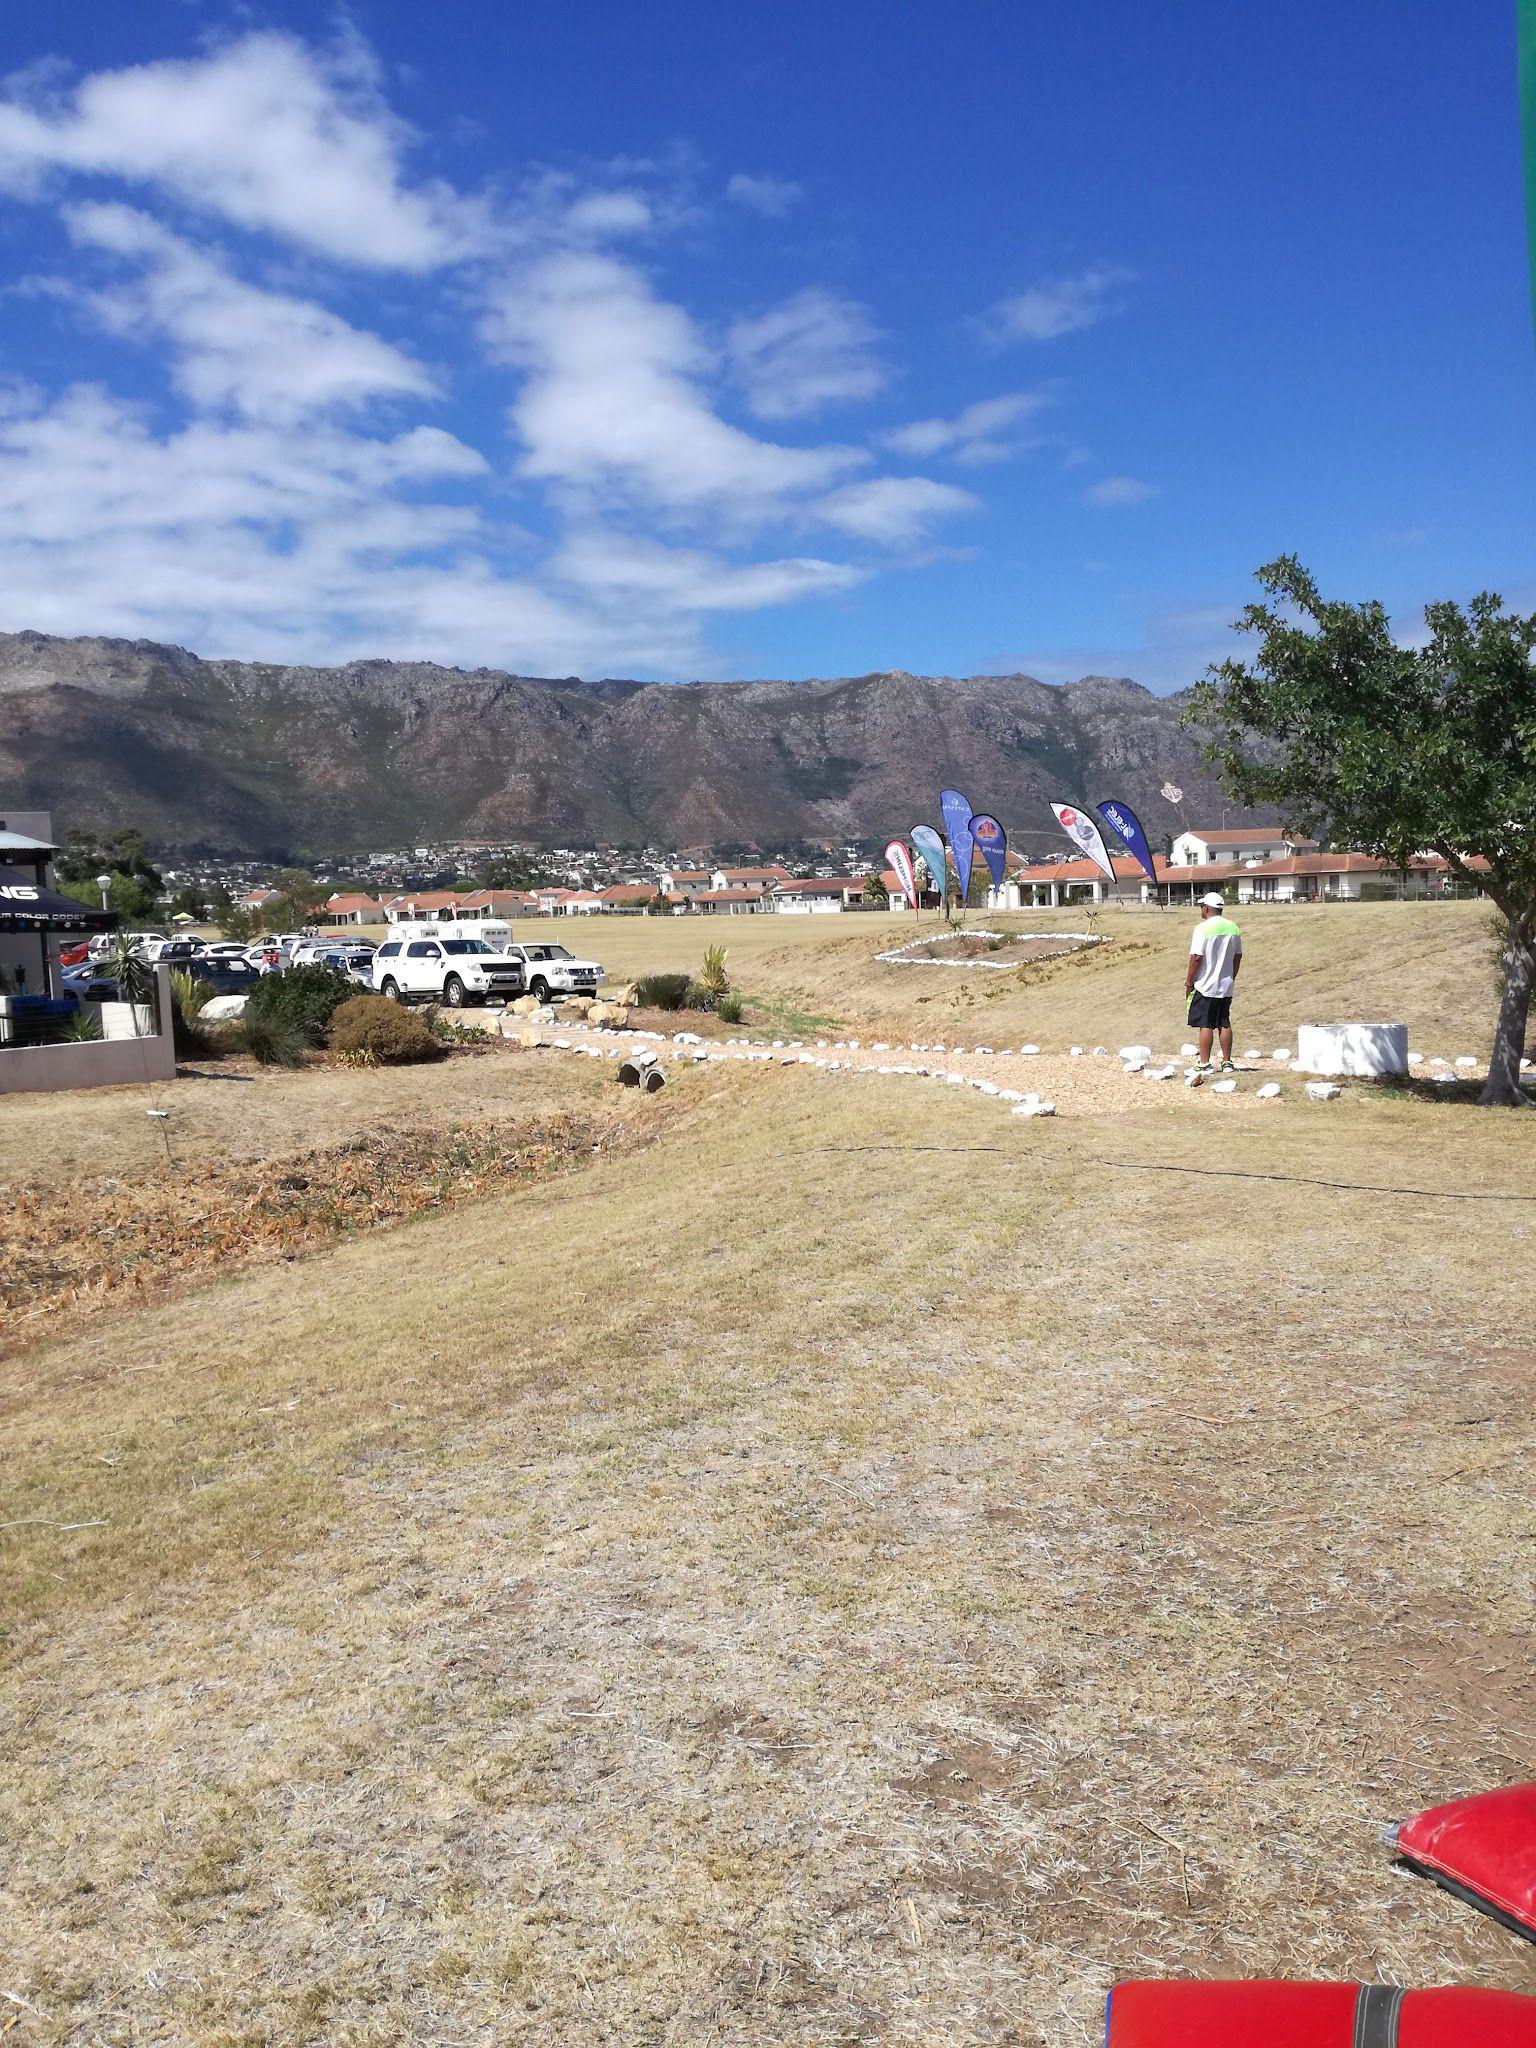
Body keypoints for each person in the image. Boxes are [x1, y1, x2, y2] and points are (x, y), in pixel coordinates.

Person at [1185, 891, 1242, 1073]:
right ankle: (1227, 1061)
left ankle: (1204, 1062)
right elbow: (1237, 956)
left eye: (1202, 906)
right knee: (1224, 1022)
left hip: (1206, 984)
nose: (1201, 909)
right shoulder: (1233, 928)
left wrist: (1189, 982)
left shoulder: (1202, 928)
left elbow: (1196, 958)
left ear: (1207, 908)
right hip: (1225, 984)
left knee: (1206, 1023)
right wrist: (1231, 976)